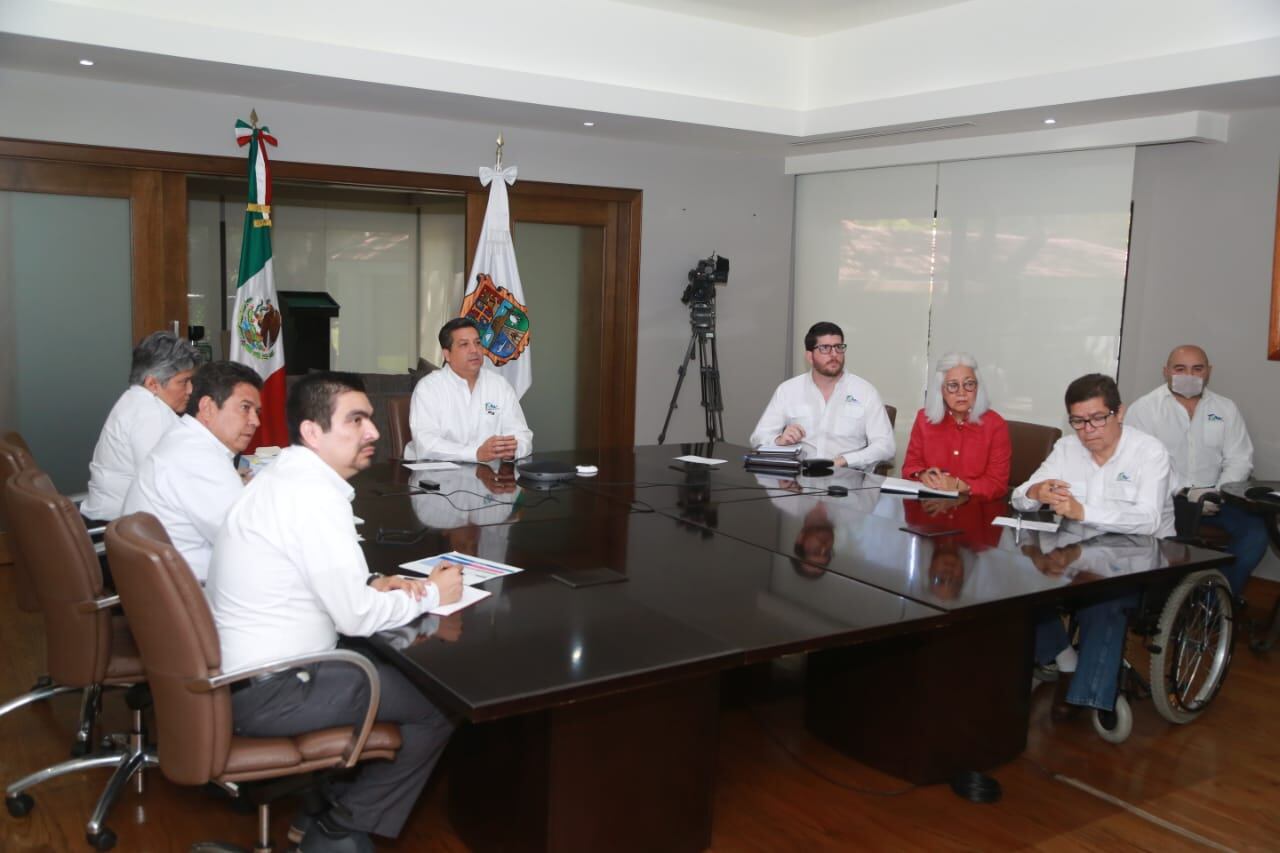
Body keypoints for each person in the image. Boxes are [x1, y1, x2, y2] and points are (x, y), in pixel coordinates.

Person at [207, 372, 463, 852]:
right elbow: (355, 619)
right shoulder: (312, 496)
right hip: (270, 690)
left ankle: (319, 807)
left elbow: (316, 581)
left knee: (393, 664)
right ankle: (340, 826)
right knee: (440, 707)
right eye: (357, 420)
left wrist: (369, 584)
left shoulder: (287, 476)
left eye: (369, 418)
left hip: (245, 677)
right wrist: (433, 593)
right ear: (312, 432)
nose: (373, 432)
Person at [1011, 374, 1174, 727]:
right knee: (1018, 590)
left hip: (1141, 556)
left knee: (1104, 601)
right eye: (1078, 421)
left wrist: (1084, 512)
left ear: (1119, 413)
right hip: (1077, 550)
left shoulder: (1149, 452)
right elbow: (1018, 497)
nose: (1087, 430)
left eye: (1097, 418)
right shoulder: (1067, 449)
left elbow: (1148, 519)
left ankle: (1087, 694)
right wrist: (1036, 491)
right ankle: (1067, 662)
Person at [1124, 345, 1267, 597]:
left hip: (1219, 497)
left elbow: (1240, 458)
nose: (1189, 375)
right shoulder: (1144, 410)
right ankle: (1167, 603)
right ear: (1166, 371)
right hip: (1168, 499)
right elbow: (1140, 465)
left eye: (1197, 368)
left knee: (1256, 534)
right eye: (1180, 368)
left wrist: (1218, 492)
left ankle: (1214, 605)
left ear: (1208, 372)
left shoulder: (1226, 409)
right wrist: (1185, 492)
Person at [121, 361, 261, 584]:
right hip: (194, 595)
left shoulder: (185, 439)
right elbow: (250, 540)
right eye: (245, 408)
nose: (256, 421)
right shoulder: (198, 457)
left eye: (257, 411)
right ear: (207, 408)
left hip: (168, 588)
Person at [80, 331, 199, 522]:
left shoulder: (135, 400)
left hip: (116, 522)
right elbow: (165, 485)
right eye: (183, 382)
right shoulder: (149, 412)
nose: (190, 390)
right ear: (152, 383)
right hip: (117, 530)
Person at [748, 321, 894, 470]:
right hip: (800, 480)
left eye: (838, 347)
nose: (834, 354)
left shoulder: (865, 392)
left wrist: (845, 460)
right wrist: (779, 441)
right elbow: (758, 438)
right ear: (810, 356)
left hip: (848, 480)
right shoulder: (788, 390)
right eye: (825, 348)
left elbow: (886, 446)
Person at [405, 318, 533, 462]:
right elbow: (426, 444)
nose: (474, 350)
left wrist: (512, 450)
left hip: (488, 475)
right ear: (447, 355)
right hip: (435, 476)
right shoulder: (428, 388)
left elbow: (522, 435)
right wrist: (476, 453)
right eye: (464, 344)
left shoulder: (499, 385)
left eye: (478, 343)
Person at [902, 352, 1011, 500]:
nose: (962, 392)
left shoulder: (995, 425)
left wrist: (960, 486)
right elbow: (910, 466)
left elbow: (998, 484)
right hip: (931, 509)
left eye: (969, 384)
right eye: (953, 385)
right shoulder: (924, 419)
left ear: (977, 388)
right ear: (941, 390)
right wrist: (922, 474)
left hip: (975, 511)